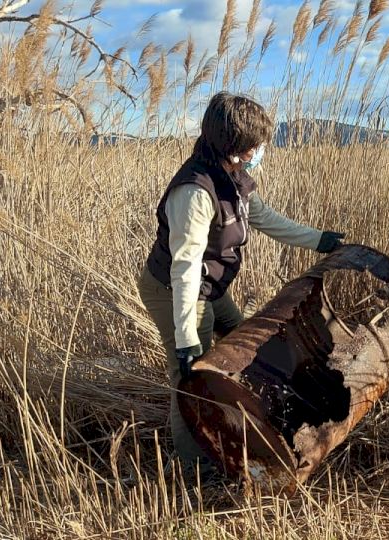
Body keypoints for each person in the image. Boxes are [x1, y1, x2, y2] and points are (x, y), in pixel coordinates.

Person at [138, 91, 346, 476]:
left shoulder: (232, 177)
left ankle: (248, 427)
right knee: (191, 378)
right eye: (255, 143)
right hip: (176, 292)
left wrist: (319, 240)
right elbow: (185, 267)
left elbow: (265, 218)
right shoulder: (195, 191)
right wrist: (186, 338)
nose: (260, 149)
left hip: (210, 289)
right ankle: (193, 468)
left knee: (246, 344)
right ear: (234, 145)